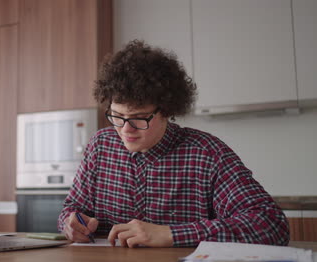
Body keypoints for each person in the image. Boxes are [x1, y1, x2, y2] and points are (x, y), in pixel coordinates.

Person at [57, 40, 289, 248]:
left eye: (139, 118)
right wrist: (71, 223)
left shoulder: (206, 153)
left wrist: (171, 234)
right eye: (117, 116)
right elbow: (71, 209)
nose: (126, 129)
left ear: (167, 110)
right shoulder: (100, 146)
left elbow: (270, 225)